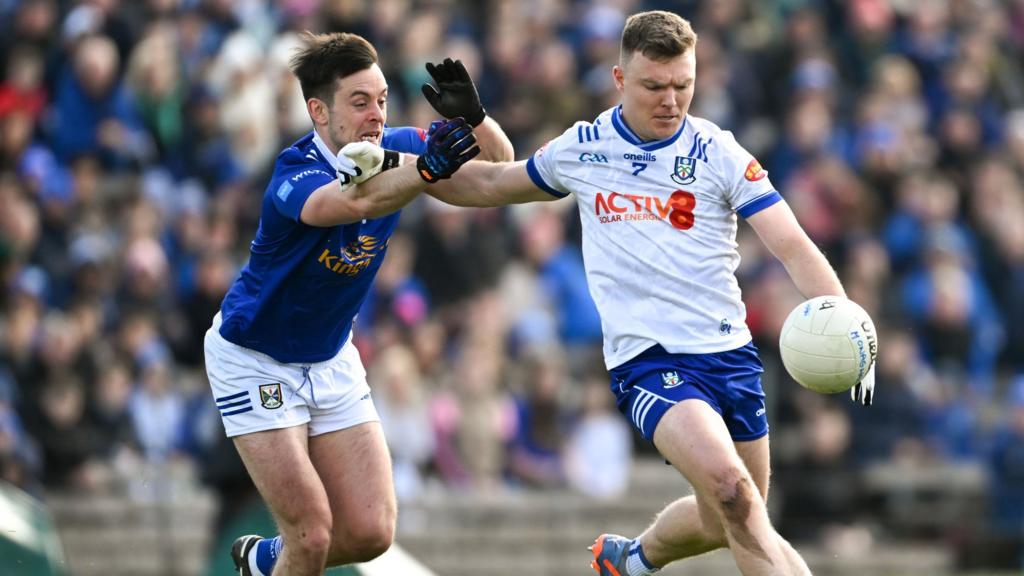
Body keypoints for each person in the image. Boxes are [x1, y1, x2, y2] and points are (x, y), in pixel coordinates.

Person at [422, 10, 876, 576]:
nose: (670, 100)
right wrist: (425, 162)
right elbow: (492, 181)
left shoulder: (719, 153)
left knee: (728, 516)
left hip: (730, 357)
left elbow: (793, 247)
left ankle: (631, 561)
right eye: (654, 86)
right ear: (619, 79)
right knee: (734, 494)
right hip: (649, 361)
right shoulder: (583, 149)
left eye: (683, 85)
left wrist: (848, 326)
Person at [203, 31, 512, 576]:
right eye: (360, 101)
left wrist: (477, 118)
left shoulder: (399, 145)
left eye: (383, 99)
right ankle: (290, 550)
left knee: (371, 532)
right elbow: (350, 201)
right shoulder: (293, 173)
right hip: (255, 359)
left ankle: (267, 559)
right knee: (313, 533)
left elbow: (498, 172)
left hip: (329, 355)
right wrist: (424, 171)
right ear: (318, 111)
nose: (376, 115)